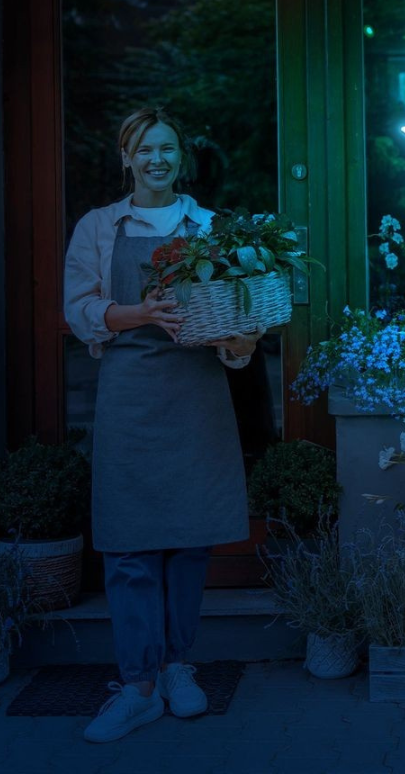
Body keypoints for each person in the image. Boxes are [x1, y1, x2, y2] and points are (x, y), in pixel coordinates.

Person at [64, 108, 260, 744]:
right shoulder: (100, 227)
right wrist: (142, 312)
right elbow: (80, 311)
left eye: (167, 148)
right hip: (129, 393)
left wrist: (241, 339)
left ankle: (177, 667)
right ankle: (138, 686)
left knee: (189, 539)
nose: (157, 159)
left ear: (181, 157)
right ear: (126, 157)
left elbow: (237, 316)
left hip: (196, 391)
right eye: (145, 149)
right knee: (129, 542)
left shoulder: (209, 227)